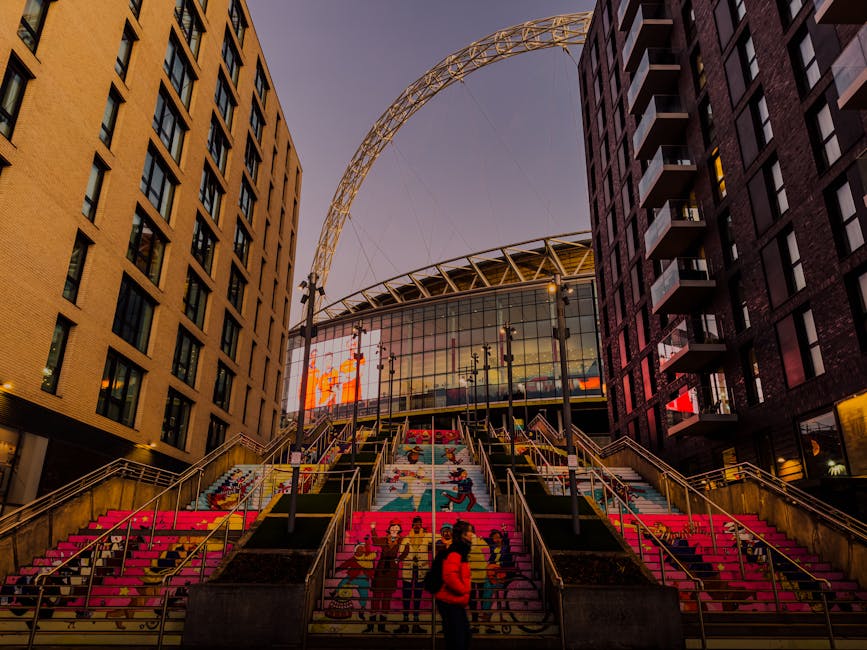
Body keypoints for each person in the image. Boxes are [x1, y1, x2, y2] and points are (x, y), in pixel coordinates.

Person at [434, 519, 473, 650]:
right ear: (462, 534)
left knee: (459, 636)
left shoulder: (459, 549)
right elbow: (449, 575)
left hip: (454, 600)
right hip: (450, 599)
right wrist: (463, 590)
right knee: (459, 638)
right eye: (469, 532)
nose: (471, 534)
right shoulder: (456, 550)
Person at [369, 519, 404, 632]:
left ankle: (382, 626)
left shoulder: (401, 540)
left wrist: (399, 559)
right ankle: (371, 624)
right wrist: (373, 529)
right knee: (376, 595)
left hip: (392, 569)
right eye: (392, 526)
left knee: (387, 598)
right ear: (389, 529)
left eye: (397, 527)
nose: (394, 529)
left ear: (399, 529)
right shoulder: (384, 539)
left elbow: (407, 549)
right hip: (382, 567)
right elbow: (375, 542)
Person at [396, 516, 429, 633]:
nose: (417, 526)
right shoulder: (406, 539)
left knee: (418, 596)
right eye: (415, 524)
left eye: (419, 524)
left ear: (421, 525)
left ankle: (416, 622)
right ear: (412, 525)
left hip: (421, 570)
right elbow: (401, 552)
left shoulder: (427, 537)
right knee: (406, 595)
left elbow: (438, 542)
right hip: (408, 569)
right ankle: (405, 622)